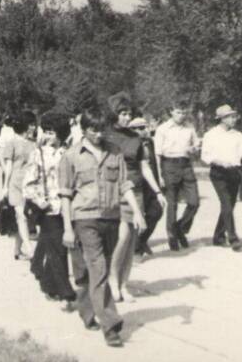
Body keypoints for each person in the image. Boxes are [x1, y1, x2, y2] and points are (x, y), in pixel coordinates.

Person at [60, 112, 146, 348]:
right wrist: (67, 228)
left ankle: (87, 311)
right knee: (99, 269)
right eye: (93, 130)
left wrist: (137, 211)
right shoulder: (71, 156)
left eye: (102, 130)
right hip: (84, 218)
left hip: (110, 217)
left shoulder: (115, 152)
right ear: (83, 129)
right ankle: (111, 326)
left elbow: (124, 184)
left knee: (98, 270)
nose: (98, 135)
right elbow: (65, 195)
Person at [104, 102, 165, 302]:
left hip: (136, 192)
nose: (126, 117)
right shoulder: (106, 135)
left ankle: (124, 284)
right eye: (122, 113)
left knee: (131, 242)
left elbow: (144, 166)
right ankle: (112, 279)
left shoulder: (136, 139)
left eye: (129, 113)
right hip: (116, 191)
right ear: (115, 115)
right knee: (121, 238)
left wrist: (157, 191)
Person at [23, 112, 77, 305]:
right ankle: (66, 292)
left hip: (68, 206)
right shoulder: (38, 154)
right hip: (48, 209)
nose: (48, 136)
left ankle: (46, 280)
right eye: (45, 132)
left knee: (58, 247)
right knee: (58, 250)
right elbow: (28, 183)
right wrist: (39, 200)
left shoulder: (70, 152)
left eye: (52, 132)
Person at [201, 105, 242, 252]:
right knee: (227, 204)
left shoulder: (238, 135)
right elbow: (205, 155)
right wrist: (219, 161)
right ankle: (233, 238)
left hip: (234, 173)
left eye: (234, 116)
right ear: (222, 119)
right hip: (218, 173)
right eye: (230, 116)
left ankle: (218, 237)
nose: (234, 119)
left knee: (228, 206)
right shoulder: (210, 135)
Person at [154, 100, 201, 250]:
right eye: (178, 112)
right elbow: (157, 154)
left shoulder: (189, 128)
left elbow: (196, 145)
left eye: (184, 112)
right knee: (172, 203)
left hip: (186, 165)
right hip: (169, 165)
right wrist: (160, 175)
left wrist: (194, 149)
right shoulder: (162, 129)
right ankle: (172, 236)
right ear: (171, 112)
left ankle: (180, 228)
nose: (181, 115)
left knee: (194, 202)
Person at [1, 112, 37, 259]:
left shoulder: (34, 143)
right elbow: (8, 166)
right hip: (15, 182)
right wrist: (5, 186)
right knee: (21, 215)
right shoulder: (11, 143)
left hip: (31, 183)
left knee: (26, 217)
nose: (34, 127)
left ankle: (17, 250)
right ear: (25, 126)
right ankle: (29, 247)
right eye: (32, 125)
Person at [130, 117, 164, 256]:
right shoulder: (129, 144)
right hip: (136, 184)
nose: (143, 131)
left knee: (157, 211)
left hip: (150, 183)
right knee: (137, 216)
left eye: (144, 127)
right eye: (139, 128)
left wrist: (159, 181)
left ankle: (141, 240)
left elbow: (154, 162)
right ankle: (136, 248)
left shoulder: (150, 143)